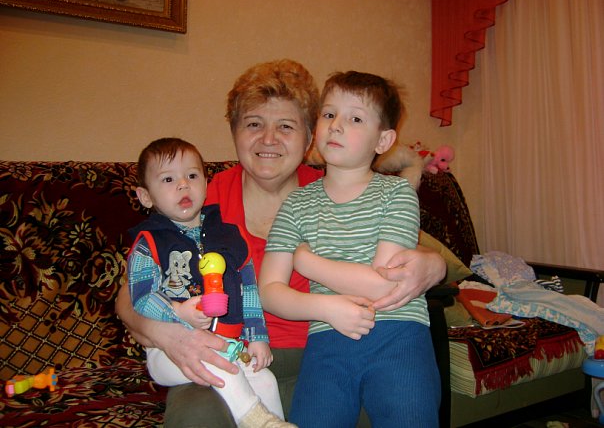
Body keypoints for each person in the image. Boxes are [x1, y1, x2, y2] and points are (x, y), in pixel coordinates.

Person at [115, 59, 446, 426]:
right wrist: (169, 336)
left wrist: (436, 265)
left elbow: (399, 248)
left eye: (285, 126)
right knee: (196, 417)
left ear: (309, 136)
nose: (268, 139)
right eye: (253, 124)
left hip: (326, 351)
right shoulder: (196, 195)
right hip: (232, 360)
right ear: (235, 132)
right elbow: (130, 294)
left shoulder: (343, 186)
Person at [258, 71, 440, 427]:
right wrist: (326, 308)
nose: (336, 125)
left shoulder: (397, 193)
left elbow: (384, 285)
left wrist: (307, 262)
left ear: (383, 140)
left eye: (355, 118)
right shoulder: (296, 204)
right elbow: (269, 290)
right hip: (327, 339)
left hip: (398, 335)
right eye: (329, 114)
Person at [126, 137, 292, 427]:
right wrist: (176, 311)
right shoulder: (149, 243)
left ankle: (275, 422)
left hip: (230, 343)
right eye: (168, 179)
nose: (183, 185)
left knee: (265, 379)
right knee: (221, 365)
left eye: (192, 176)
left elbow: (248, 289)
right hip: (169, 351)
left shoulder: (230, 235)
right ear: (146, 196)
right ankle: (259, 421)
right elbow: (140, 297)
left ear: (205, 183)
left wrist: (257, 336)